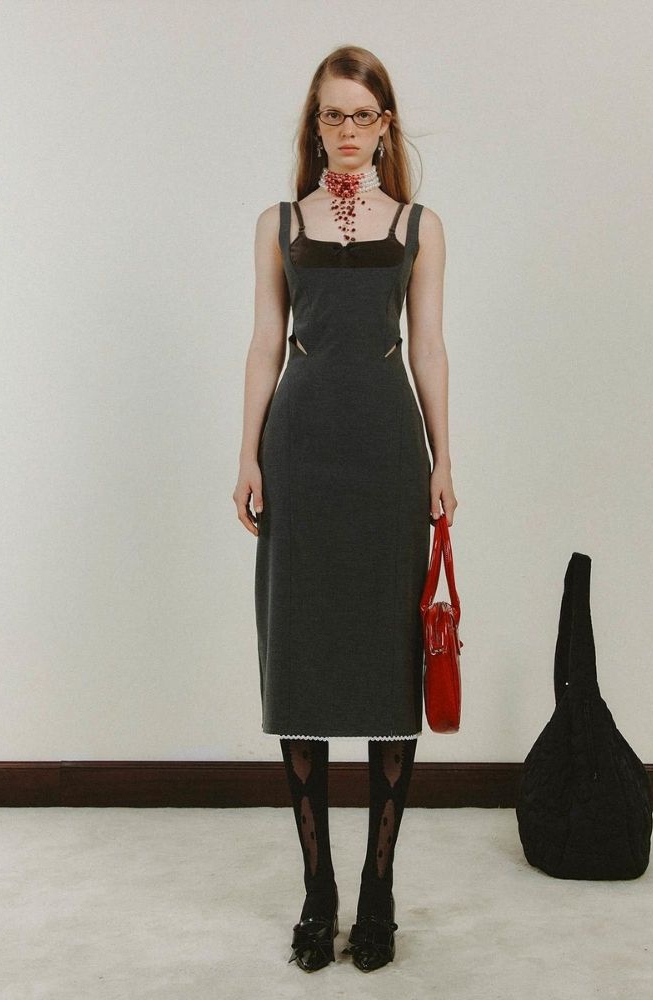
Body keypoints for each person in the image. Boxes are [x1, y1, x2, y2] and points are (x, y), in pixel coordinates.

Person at [233, 45, 457, 973]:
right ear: (315, 124)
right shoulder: (279, 223)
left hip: (388, 458)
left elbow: (429, 349)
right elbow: (265, 343)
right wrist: (247, 454)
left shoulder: (420, 227)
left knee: (388, 666)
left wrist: (444, 461)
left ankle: (378, 888)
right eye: (335, 114)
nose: (350, 130)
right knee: (302, 659)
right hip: (301, 452)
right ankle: (317, 887)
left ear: (386, 124)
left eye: (365, 114)